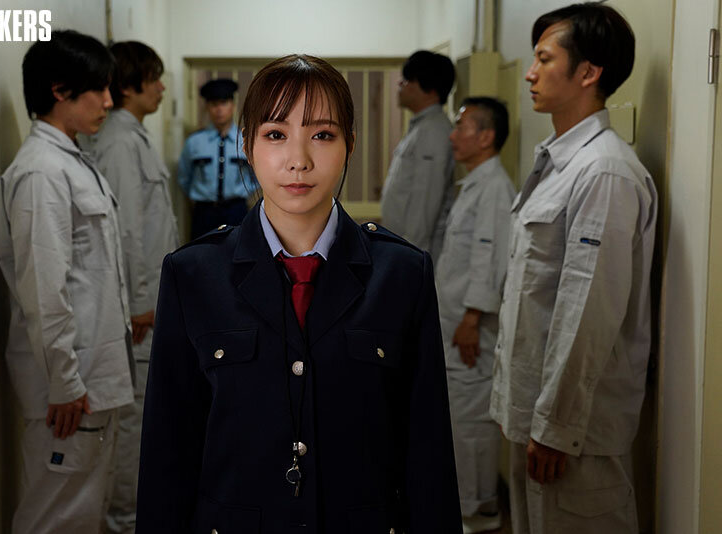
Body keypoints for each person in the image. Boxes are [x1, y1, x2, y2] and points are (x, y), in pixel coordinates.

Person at [136, 54, 462, 533]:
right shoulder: (193, 274)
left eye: (323, 135)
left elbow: (427, 449)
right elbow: (168, 451)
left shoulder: (402, 273)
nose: (298, 160)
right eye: (275, 134)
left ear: (350, 144)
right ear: (247, 145)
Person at [489, 4, 657, 533]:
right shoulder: (559, 162)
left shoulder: (604, 171)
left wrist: (557, 427)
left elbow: (588, 311)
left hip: (573, 434)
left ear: (588, 72)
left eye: (544, 59)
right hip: (534, 417)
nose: (530, 74)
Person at [0, 30, 134, 534]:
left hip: (91, 382)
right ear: (59, 90)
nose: (109, 102)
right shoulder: (42, 173)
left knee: (81, 513)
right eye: (99, 89)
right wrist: (66, 382)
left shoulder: (72, 162)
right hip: (70, 391)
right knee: (55, 520)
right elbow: (44, 290)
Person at [89, 40, 179, 534]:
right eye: (154, 78)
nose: (162, 87)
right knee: (134, 418)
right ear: (130, 85)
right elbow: (126, 232)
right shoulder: (120, 143)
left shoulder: (132, 136)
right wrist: (142, 302)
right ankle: (125, 519)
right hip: (138, 312)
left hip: (150, 305)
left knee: (146, 414)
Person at [436, 97, 515, 534]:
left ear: (486, 136)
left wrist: (471, 319)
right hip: (456, 322)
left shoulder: (496, 189)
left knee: (471, 419)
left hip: (472, 326)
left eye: (462, 127)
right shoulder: (475, 184)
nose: (453, 136)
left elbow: (490, 259)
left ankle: (481, 510)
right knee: (460, 415)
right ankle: (467, 503)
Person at [380, 50, 456, 262]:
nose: (400, 84)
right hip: (402, 246)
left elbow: (425, 201)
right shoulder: (422, 127)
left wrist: (412, 255)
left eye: (407, 80)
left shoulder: (434, 132)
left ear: (429, 89)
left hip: (412, 250)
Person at [177, 78, 257, 238]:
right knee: (200, 251)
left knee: (238, 250)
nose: (219, 109)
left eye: (224, 103)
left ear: (233, 105)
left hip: (236, 210)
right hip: (204, 212)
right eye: (214, 104)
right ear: (207, 107)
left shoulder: (245, 140)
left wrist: (245, 191)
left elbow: (258, 175)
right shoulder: (195, 142)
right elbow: (184, 177)